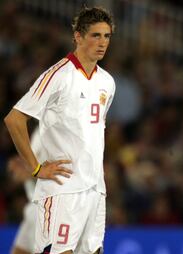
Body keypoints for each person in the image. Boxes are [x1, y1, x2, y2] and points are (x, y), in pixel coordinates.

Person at [4, 6, 115, 254]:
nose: (102, 43)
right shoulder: (59, 75)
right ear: (78, 36)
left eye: (106, 36)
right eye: (95, 35)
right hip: (62, 190)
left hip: (95, 190)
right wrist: (35, 168)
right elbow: (14, 119)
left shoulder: (107, 82)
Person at [8, 128, 44, 254]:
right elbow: (35, 163)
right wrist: (21, 165)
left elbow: (56, 168)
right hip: (33, 208)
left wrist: (28, 171)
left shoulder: (55, 128)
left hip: (46, 209)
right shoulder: (39, 130)